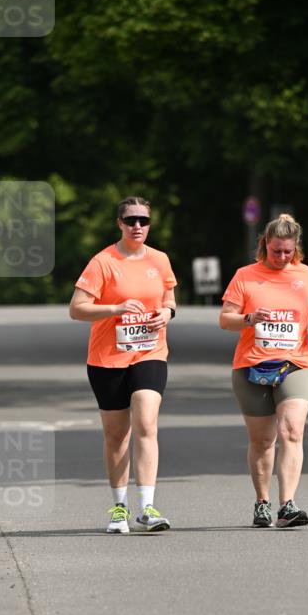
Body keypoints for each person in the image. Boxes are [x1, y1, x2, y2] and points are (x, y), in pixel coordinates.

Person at [69, 196, 177, 533]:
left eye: (144, 220)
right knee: (117, 435)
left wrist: (167, 313)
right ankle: (119, 507)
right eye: (131, 220)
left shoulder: (159, 260)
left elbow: (170, 297)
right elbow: (77, 309)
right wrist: (114, 309)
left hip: (149, 353)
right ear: (120, 223)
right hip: (107, 358)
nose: (138, 227)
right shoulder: (103, 262)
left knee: (147, 421)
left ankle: (147, 507)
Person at [219, 213, 308, 528]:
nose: (281, 257)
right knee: (263, 440)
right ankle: (262, 502)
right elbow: (225, 319)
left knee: (292, 430)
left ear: (296, 248)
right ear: (265, 245)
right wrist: (250, 318)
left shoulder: (305, 274)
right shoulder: (245, 275)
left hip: (296, 363)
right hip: (252, 366)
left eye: (287, 252)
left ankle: (287, 505)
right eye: (276, 250)